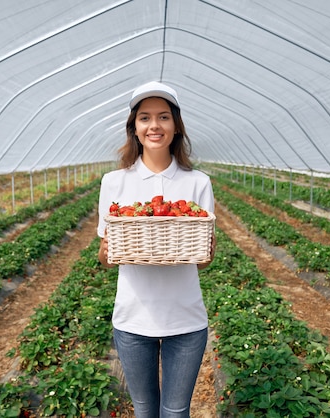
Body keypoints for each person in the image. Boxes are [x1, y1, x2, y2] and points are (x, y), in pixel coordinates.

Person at [97, 81, 216, 418]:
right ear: (134, 128)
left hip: (186, 319)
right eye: (145, 118)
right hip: (133, 319)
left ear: (176, 126)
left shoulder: (198, 182)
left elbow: (203, 260)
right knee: (145, 410)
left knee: (176, 412)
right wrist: (108, 248)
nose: (154, 126)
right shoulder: (114, 182)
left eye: (163, 117)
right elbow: (106, 258)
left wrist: (207, 249)